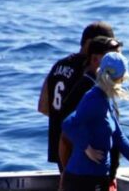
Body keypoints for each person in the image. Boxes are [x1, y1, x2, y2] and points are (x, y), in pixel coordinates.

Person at [61, 52, 129, 191]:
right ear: (116, 79)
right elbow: (68, 124)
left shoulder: (106, 101)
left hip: (100, 178)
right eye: (121, 79)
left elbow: (119, 138)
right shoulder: (93, 99)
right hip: (82, 179)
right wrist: (86, 147)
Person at [38, 21, 115, 172]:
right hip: (81, 149)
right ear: (90, 44)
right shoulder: (89, 71)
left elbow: (43, 107)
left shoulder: (58, 66)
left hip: (58, 144)